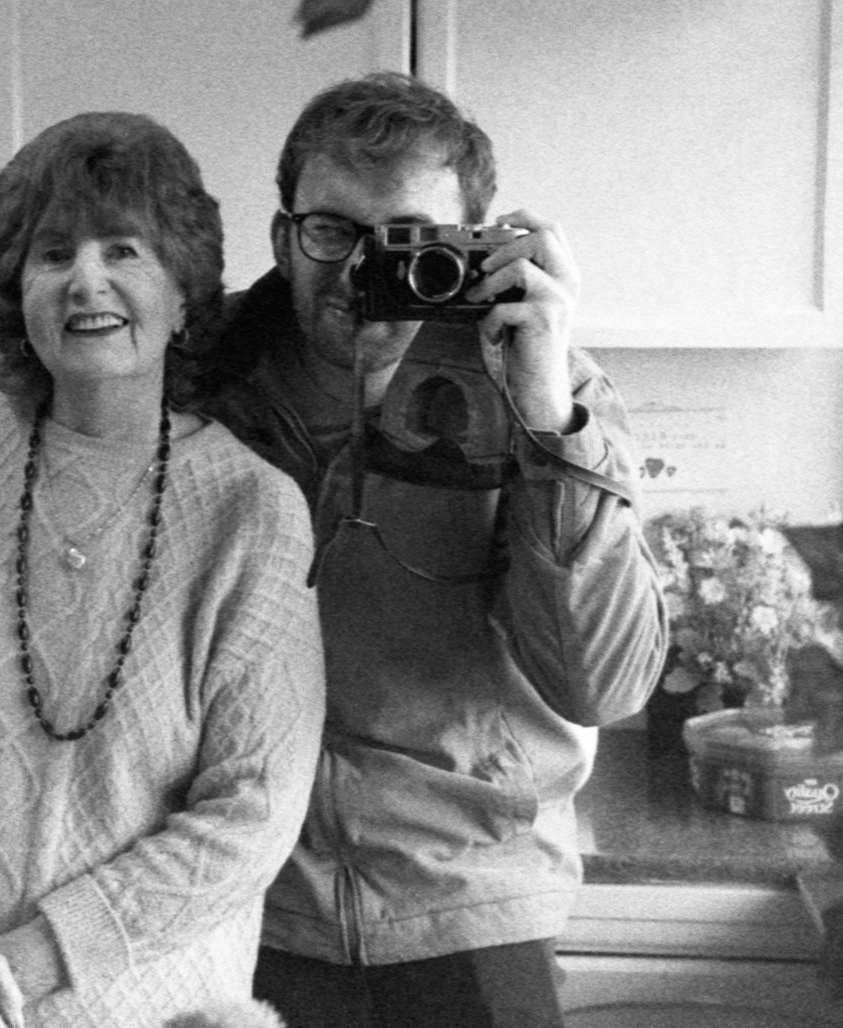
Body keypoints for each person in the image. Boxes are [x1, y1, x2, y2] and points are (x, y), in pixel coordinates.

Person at [0, 111, 326, 1028]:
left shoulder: (254, 512)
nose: (85, 280)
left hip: (124, 1004)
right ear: (18, 291)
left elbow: (252, 814)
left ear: (181, 294)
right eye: (52, 254)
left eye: (123, 250)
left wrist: (23, 962)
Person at [198, 72, 666, 1028]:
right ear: (283, 236)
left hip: (470, 902)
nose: (358, 271)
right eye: (330, 231)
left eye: (405, 239)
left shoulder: (537, 385)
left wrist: (544, 414)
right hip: (235, 895)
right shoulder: (200, 376)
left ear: (472, 245)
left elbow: (602, 685)